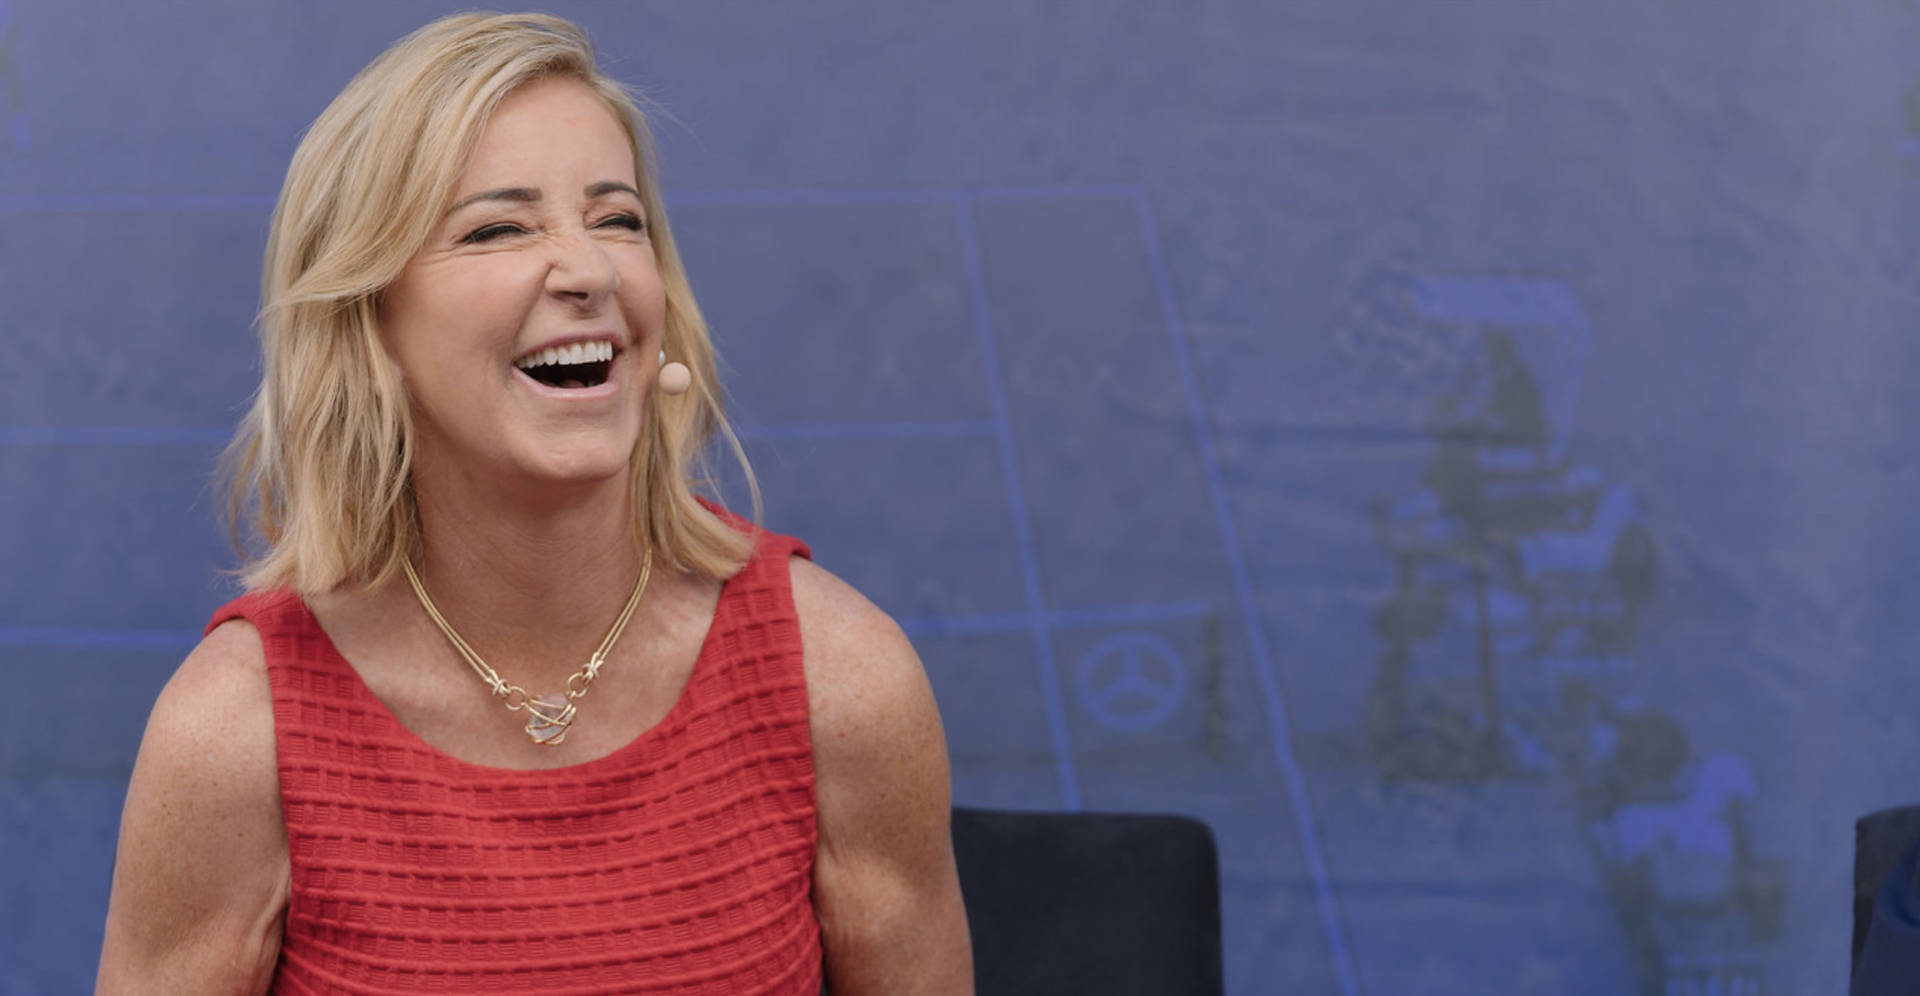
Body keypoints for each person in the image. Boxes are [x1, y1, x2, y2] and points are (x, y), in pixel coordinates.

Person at [94, 12, 972, 994]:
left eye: (617, 220)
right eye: (498, 228)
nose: (589, 271)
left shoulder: (841, 680)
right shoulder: (232, 735)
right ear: (367, 321)